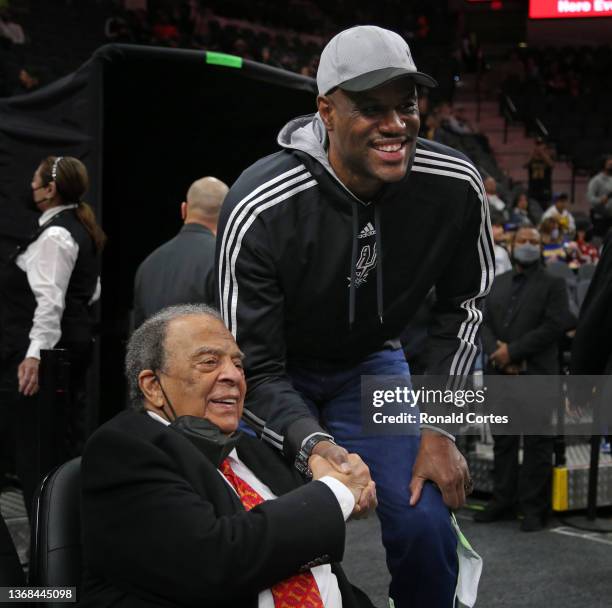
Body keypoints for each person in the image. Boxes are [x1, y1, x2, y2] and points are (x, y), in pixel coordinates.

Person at [216, 25, 493, 608]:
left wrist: (442, 428)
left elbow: (464, 306)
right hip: (276, 376)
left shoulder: (455, 184)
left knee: (425, 520)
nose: (395, 125)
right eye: (370, 108)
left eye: (407, 105)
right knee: (283, 540)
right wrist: (312, 445)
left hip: (371, 363)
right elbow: (254, 366)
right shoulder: (261, 203)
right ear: (326, 111)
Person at [80, 304, 377, 608]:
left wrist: (342, 487)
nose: (233, 376)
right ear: (153, 386)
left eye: (238, 364)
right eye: (209, 362)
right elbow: (215, 562)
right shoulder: (123, 449)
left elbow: (309, 544)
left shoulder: (253, 450)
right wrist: (336, 492)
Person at [0, 156, 104, 510]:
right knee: (53, 446)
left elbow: (51, 303)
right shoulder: (78, 227)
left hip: (47, 357)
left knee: (37, 453)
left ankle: (48, 547)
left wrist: (33, 356)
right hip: (67, 352)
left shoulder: (57, 234)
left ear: (50, 190)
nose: (30, 186)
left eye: (35, 181)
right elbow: (91, 292)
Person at [477, 226, 570, 531]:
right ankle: (502, 500)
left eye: (534, 241)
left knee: (537, 445)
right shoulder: (498, 284)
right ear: (512, 245)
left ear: (541, 247)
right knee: (503, 442)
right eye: (522, 241)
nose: (527, 245)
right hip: (500, 375)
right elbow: (485, 323)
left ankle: (533, 507)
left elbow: (554, 326)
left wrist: (512, 353)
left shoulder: (554, 284)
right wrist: (497, 355)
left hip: (536, 375)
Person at [133, 176, 228, 328]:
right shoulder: (226, 259)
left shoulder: (148, 265)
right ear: (227, 215)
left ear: (184, 209)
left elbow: (137, 339)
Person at [525, 138, 554, 208]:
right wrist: (533, 154)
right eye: (537, 144)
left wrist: (542, 153)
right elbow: (525, 164)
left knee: (545, 207)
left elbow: (551, 164)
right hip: (533, 188)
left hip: (545, 188)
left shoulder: (549, 155)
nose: (539, 147)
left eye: (541, 144)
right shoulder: (532, 156)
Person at [587, 155, 612, 235]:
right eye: (609, 163)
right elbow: (590, 198)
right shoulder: (596, 180)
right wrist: (601, 200)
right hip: (600, 218)